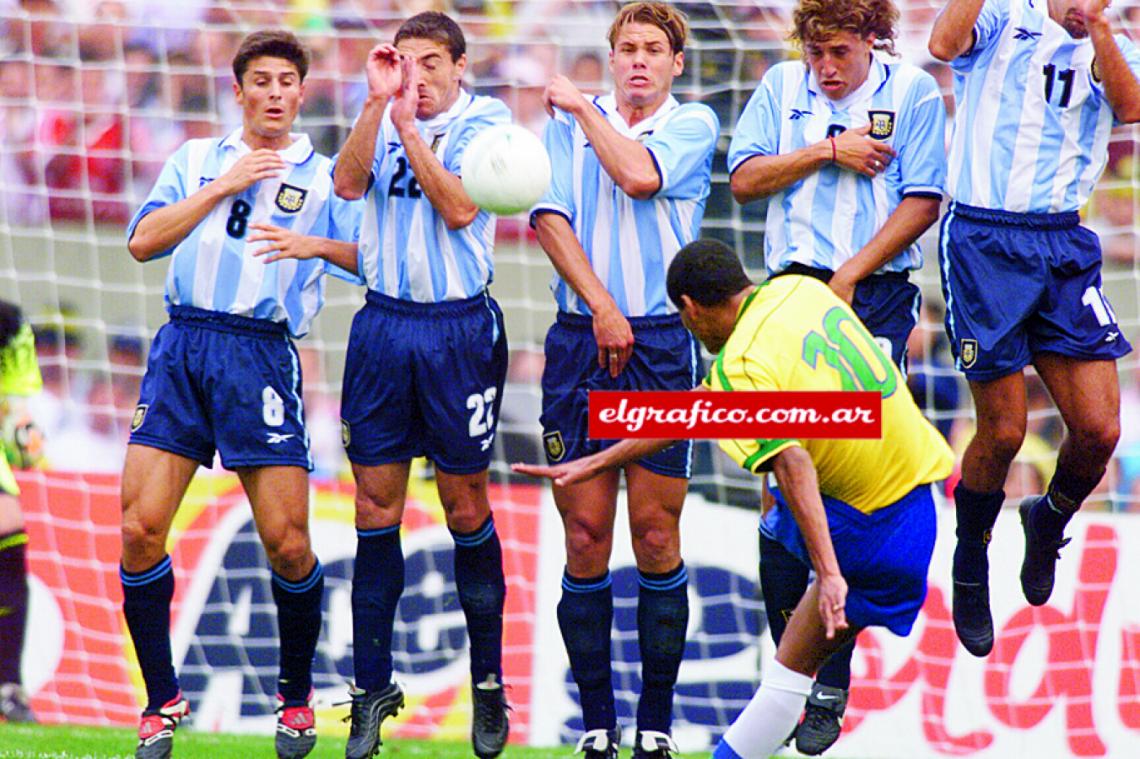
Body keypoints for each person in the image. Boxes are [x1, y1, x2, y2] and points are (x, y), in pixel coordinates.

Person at [514, 238, 955, 759]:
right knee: (777, 538)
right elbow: (699, 409)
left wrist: (830, 572)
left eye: (687, 323)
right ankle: (820, 672)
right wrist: (597, 460)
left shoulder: (740, 367)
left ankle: (823, 681)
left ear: (690, 308)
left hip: (867, 531)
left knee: (786, 675)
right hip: (920, 499)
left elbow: (792, 463)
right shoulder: (797, 291)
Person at [121, 29, 362, 759]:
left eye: (288, 81)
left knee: (288, 543)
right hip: (184, 347)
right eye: (261, 81)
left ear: (302, 90)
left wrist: (315, 246)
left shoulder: (325, 178)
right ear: (239, 90)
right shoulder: (197, 158)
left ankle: (293, 700)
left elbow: (372, 259)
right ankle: (161, 701)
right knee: (138, 529)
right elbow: (141, 240)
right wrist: (222, 186)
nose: (275, 94)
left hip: (260, 356)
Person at [726, 0, 946, 750]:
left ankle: (830, 677)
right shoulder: (779, 89)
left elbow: (924, 199)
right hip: (789, 289)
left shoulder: (911, 91)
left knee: (845, 476)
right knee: (779, 478)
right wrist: (827, 150)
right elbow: (746, 182)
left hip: (871, 292)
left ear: (872, 43)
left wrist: (851, 274)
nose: (825, 67)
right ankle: (788, 670)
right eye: (815, 52)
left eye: (840, 53)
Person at [528, 3, 719, 757]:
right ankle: (599, 727)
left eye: (652, 50)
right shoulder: (561, 128)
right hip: (583, 339)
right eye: (626, 48)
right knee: (583, 536)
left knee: (655, 533)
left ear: (675, 64)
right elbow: (548, 219)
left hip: (662, 345)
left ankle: (657, 725)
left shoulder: (692, 123)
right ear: (611, 58)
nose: (638, 60)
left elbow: (639, 177)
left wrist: (579, 107)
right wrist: (602, 306)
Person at [928, 0, 1140, 657]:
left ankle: (1046, 520)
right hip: (984, 238)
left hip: (1061, 242)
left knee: (1101, 428)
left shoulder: (1115, 41)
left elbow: (1131, 107)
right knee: (1004, 429)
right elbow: (942, 42)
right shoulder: (1002, 15)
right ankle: (970, 560)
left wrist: (1099, 28)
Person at [330, 12, 511, 759]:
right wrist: (377, 106)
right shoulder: (380, 108)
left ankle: (489, 684)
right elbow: (345, 186)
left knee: (465, 501)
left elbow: (462, 206)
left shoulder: (487, 122)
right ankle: (371, 689)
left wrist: (406, 126)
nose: (419, 75)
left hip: (457, 332)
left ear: (461, 66)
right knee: (375, 505)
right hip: (381, 328)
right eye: (405, 62)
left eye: (432, 62)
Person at [0, 300, 43, 724]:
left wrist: (23, 435)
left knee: (9, 525)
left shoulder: (10, 325)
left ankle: (8, 685)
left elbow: (14, 409)